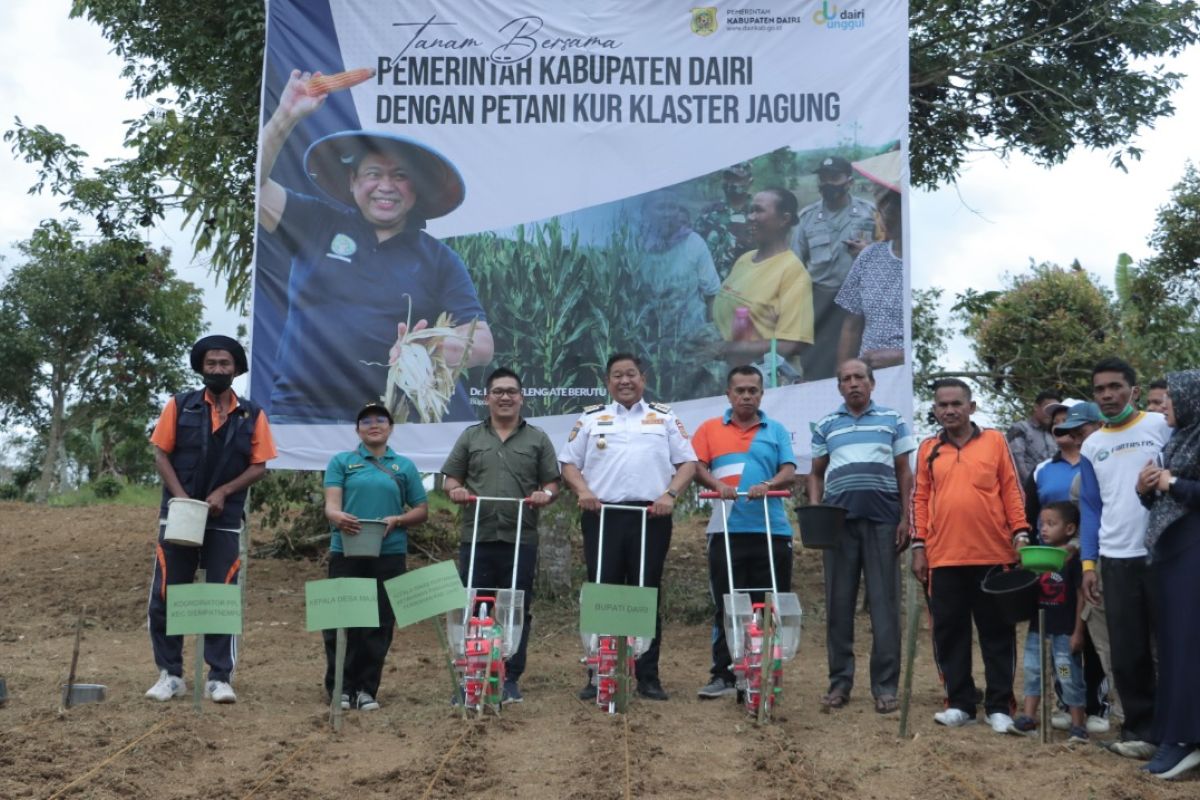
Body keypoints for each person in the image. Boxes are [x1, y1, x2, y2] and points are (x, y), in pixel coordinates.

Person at [258, 68, 494, 423]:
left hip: (389, 423)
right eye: (373, 174)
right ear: (353, 182)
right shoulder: (316, 222)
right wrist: (285, 116)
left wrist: (426, 348)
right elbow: (255, 189)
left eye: (400, 176)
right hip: (298, 415)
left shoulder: (440, 260)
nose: (386, 186)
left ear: (417, 191)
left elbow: (482, 344)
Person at [145, 335, 276, 704]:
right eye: (211, 363)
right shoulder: (180, 406)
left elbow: (259, 466)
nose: (218, 369)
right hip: (180, 516)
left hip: (225, 517)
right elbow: (160, 455)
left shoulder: (253, 414)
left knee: (222, 595)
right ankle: (170, 674)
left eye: (225, 364)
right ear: (201, 367)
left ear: (236, 369)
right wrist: (182, 498)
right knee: (168, 592)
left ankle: (219, 677)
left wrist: (224, 492)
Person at [558, 353, 697, 701]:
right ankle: (598, 671)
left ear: (643, 379)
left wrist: (670, 494)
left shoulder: (663, 418)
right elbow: (568, 463)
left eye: (631, 374)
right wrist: (584, 490)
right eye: (617, 375)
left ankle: (647, 676)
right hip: (602, 515)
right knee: (602, 591)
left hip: (652, 516)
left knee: (644, 592)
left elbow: (688, 463)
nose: (624, 381)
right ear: (608, 382)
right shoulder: (592, 418)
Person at [911, 378, 1030, 732]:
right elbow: (918, 499)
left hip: (993, 553)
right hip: (943, 557)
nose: (949, 410)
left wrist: (1021, 533)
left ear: (971, 407)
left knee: (997, 632)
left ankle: (999, 706)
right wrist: (919, 546)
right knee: (949, 633)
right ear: (934, 410)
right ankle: (959, 702)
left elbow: (1011, 488)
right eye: (942, 405)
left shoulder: (994, 441)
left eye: (956, 404)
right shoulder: (928, 448)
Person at [441, 367, 561, 704]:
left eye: (511, 391)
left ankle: (509, 678)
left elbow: (552, 483)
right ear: (487, 397)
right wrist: (457, 490)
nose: (505, 397)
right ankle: (470, 676)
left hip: (520, 538)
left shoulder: (537, 438)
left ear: (521, 398)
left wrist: (545, 495)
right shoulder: (470, 437)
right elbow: (450, 478)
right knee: (473, 606)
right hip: (477, 536)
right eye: (498, 391)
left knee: (514, 608)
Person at [808, 359, 916, 713]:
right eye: (846, 379)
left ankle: (885, 687)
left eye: (859, 378)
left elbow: (904, 473)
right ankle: (839, 683)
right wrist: (815, 513)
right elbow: (815, 475)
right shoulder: (826, 424)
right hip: (838, 525)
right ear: (839, 387)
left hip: (884, 521)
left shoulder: (892, 420)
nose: (853, 383)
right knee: (839, 607)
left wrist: (906, 517)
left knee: (885, 607)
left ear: (872, 383)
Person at [1079, 357, 1171, 759]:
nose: (1107, 395)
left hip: (1162, 552)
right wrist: (1087, 564)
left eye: (1115, 387)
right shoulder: (1091, 444)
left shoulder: (1160, 425)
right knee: (1127, 651)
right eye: (1100, 390)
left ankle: (1181, 730)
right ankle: (1140, 731)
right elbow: (1090, 508)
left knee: (1173, 646)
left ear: (1133, 391)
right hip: (1114, 559)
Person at [691, 365, 797, 700]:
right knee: (727, 602)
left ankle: (765, 668)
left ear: (762, 394)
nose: (746, 396)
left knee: (767, 604)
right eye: (740, 390)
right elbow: (695, 467)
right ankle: (723, 673)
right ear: (728, 394)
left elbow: (789, 470)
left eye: (753, 390)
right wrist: (717, 485)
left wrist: (768, 485)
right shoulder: (709, 429)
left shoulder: (775, 430)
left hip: (771, 531)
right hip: (727, 530)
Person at [322, 402, 428, 711]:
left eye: (381, 419)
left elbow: (421, 510)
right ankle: (340, 687)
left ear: (391, 428)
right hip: (346, 550)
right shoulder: (342, 461)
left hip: (389, 553)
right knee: (341, 620)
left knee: (379, 623)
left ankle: (367, 689)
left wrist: (397, 520)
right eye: (366, 421)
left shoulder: (404, 466)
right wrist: (338, 518)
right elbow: (331, 505)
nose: (374, 424)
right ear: (357, 430)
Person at [1025, 401, 1114, 734]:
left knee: (1093, 640)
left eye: (1076, 427)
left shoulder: (1105, 459)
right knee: (1065, 654)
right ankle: (1068, 704)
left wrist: (1077, 550)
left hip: (1102, 558)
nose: (1070, 433)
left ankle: (1099, 707)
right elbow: (1033, 511)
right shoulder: (1045, 469)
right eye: (1061, 426)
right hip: (1068, 562)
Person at [1136, 370, 1200, 779]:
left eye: (1169, 401)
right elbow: (1162, 501)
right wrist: (1147, 487)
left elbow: (1183, 490)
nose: (1163, 408)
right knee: (1175, 646)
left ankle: (1185, 740)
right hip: (1172, 552)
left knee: (1187, 647)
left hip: (1194, 551)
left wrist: (1170, 482)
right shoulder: (1179, 439)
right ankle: (1175, 734)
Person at [712, 187, 813, 379]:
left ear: (784, 219)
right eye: (750, 210)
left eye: (759, 211)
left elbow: (792, 343)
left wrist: (728, 349)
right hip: (731, 374)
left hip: (762, 382)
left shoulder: (793, 273)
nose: (751, 217)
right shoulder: (745, 260)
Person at [1007, 502, 1088, 743]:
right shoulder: (1037, 557)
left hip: (1063, 634)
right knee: (1033, 670)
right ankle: (1029, 718)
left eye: (1051, 524)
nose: (1044, 529)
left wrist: (1077, 632)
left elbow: (1081, 597)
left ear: (1070, 528)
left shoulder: (1073, 560)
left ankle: (1077, 725)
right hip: (1037, 632)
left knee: (1066, 674)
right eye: (1042, 524)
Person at [791, 156, 877, 381]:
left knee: (856, 368)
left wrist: (868, 251)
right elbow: (794, 266)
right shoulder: (807, 218)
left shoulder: (870, 213)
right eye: (823, 178)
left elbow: (888, 255)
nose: (828, 183)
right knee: (817, 364)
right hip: (819, 301)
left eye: (834, 177)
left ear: (849, 181)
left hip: (858, 301)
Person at [835, 189, 905, 370]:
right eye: (883, 210)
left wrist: (902, 357)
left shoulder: (924, 261)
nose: (886, 216)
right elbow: (851, 325)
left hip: (910, 379)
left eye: (893, 209)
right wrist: (844, 376)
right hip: (868, 378)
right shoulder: (870, 255)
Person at [1006, 389, 1064, 484]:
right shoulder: (1021, 428)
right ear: (1036, 407)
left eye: (1054, 410)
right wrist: (1033, 486)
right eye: (1047, 408)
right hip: (1026, 490)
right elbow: (1016, 462)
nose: (1050, 413)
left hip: (1052, 490)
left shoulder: (1055, 434)